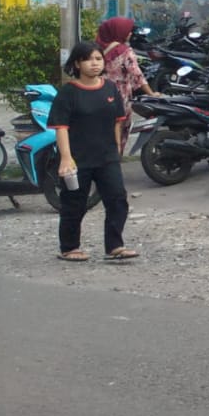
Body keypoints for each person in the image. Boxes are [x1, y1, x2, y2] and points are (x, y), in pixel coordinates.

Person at [49, 42, 138, 262]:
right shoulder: (68, 93)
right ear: (77, 64)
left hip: (107, 157)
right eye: (88, 59)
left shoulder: (110, 88)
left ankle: (115, 246)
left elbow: (117, 121)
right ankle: (69, 247)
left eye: (98, 59)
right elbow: (61, 127)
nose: (94, 63)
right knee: (74, 204)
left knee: (117, 199)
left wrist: (117, 149)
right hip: (77, 159)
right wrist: (66, 158)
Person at [97, 16, 159, 154]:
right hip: (119, 97)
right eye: (127, 31)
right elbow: (137, 75)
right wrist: (151, 93)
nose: (130, 33)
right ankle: (114, 160)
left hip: (98, 95)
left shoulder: (96, 50)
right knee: (119, 130)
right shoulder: (124, 51)